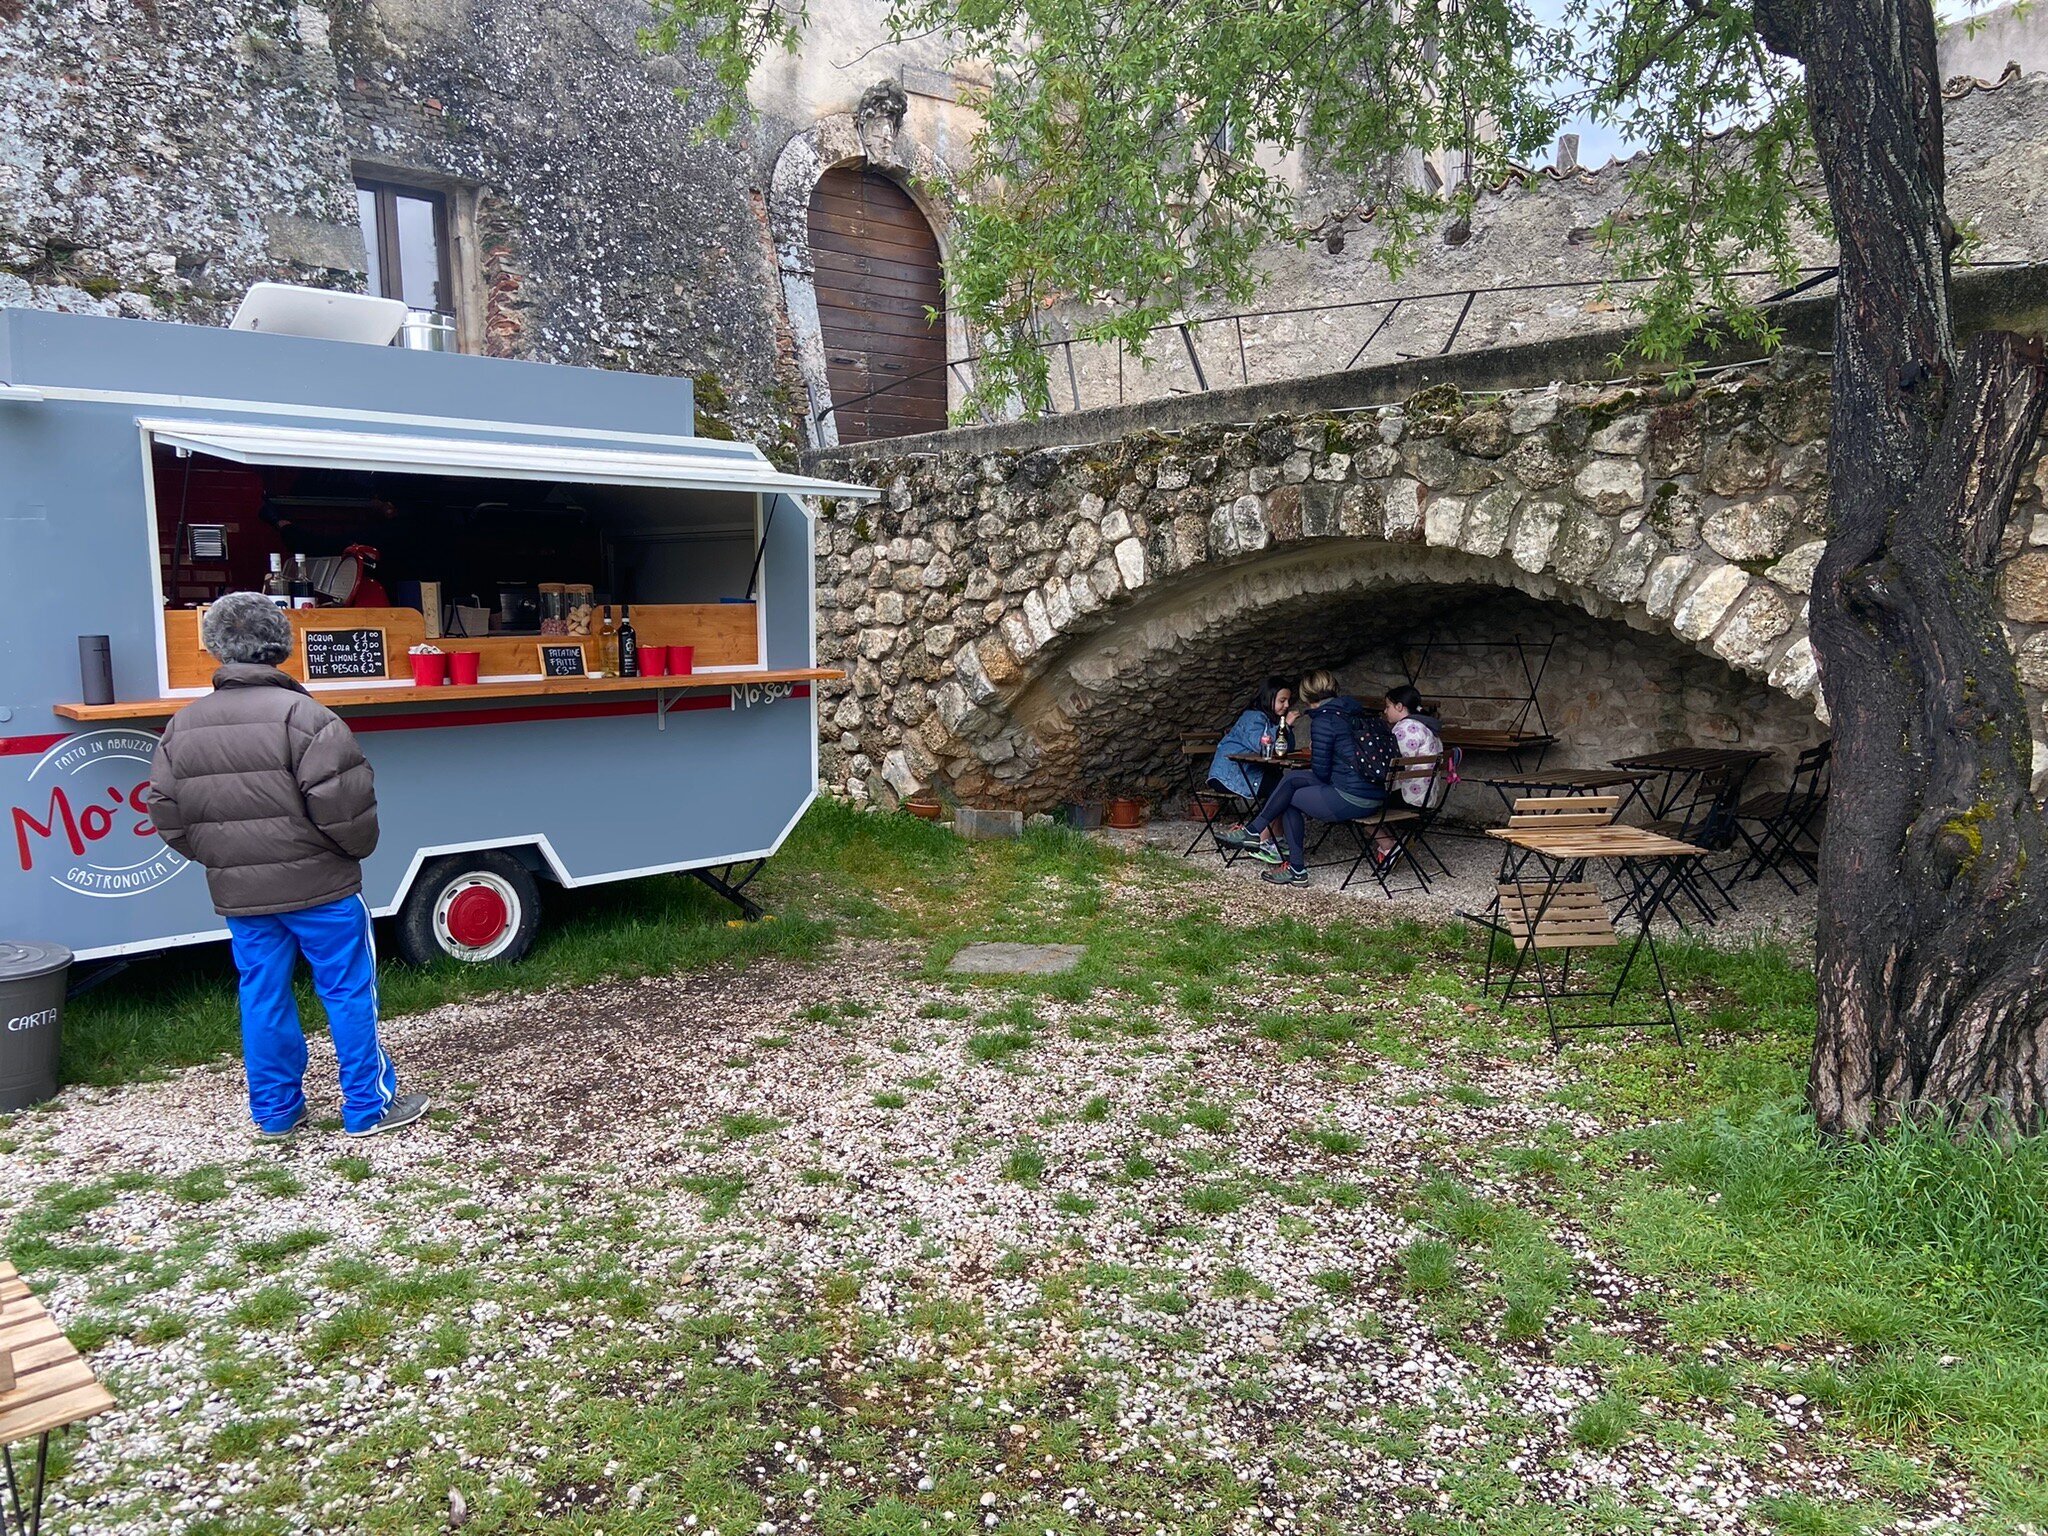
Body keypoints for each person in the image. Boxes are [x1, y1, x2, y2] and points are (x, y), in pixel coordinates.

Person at [147, 593, 428, 1141]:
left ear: (215, 647)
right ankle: (367, 1106)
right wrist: (348, 854)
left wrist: (224, 857)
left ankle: (276, 1112)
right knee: (348, 991)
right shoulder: (309, 718)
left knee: (261, 993)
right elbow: (347, 809)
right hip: (323, 887)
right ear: (283, 643)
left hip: (243, 892)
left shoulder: (182, 727)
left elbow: (166, 811)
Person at [1218, 671, 1395, 884]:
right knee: (1292, 783)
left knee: (1290, 796)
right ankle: (1260, 836)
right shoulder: (1354, 713)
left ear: (1307, 697)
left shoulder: (1325, 720)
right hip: (1375, 795)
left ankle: (1288, 861)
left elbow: (1321, 773)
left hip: (1352, 796)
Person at [1205, 676, 1301, 825]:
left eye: (1288, 701)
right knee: (1282, 789)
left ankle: (1264, 832)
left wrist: (1286, 728)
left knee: (1282, 785)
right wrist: (1285, 726)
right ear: (1269, 698)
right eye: (1282, 701)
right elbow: (1261, 744)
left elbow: (1287, 748)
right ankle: (1257, 832)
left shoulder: (1271, 720)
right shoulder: (1252, 718)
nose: (1287, 705)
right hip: (1230, 775)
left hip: (1248, 772)